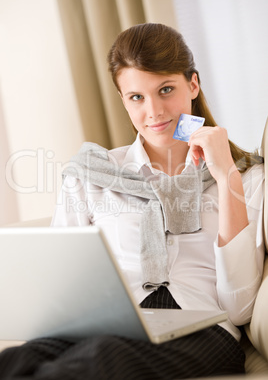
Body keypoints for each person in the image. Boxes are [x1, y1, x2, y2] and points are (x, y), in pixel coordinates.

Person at [0, 23, 265, 379]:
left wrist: (225, 174)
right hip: (111, 324)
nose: (154, 111)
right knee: (17, 359)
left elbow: (239, 308)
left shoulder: (247, 177)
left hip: (203, 329)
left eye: (166, 89)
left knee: (103, 356)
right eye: (136, 97)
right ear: (123, 101)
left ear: (193, 85)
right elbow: (61, 292)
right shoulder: (92, 172)